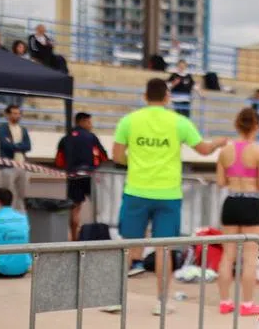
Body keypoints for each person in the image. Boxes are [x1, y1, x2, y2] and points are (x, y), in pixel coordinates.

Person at [113, 78, 227, 315]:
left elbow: (117, 156)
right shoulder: (179, 122)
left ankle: (115, 299)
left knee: (127, 246)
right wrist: (218, 142)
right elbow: (204, 150)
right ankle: (161, 302)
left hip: (136, 190)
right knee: (164, 249)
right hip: (168, 194)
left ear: (145, 96)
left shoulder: (129, 121)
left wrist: (135, 162)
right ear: (167, 98)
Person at [216, 108, 259, 316]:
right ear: (256, 126)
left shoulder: (224, 152)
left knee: (227, 254)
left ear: (237, 125)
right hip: (251, 202)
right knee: (249, 257)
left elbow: (221, 182)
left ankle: (224, 300)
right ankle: (247, 303)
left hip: (231, 200)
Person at [54, 112, 110, 240]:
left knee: (74, 208)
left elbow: (59, 161)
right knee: (97, 207)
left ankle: (74, 238)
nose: (91, 125)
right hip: (90, 177)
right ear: (82, 122)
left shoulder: (65, 138)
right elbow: (103, 157)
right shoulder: (91, 137)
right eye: (89, 122)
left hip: (73, 177)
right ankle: (98, 237)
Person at [0, 105, 31, 210]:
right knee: (6, 195)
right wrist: (20, 146)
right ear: (7, 114)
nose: (17, 116)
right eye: (14, 113)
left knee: (21, 196)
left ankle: (19, 218)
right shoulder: (3, 128)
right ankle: (4, 219)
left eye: (18, 113)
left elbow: (28, 146)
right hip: (7, 166)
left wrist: (14, 146)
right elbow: (5, 145)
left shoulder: (23, 130)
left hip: (22, 165)